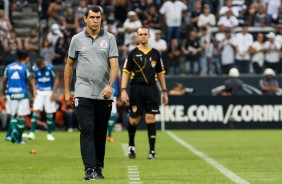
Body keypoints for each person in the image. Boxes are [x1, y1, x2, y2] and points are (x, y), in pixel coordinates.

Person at [64, 5, 119, 180]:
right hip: (82, 91)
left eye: (98, 17)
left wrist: (110, 85)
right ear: (85, 19)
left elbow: (115, 64)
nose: (95, 20)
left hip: (104, 93)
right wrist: (67, 91)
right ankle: (89, 169)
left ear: (101, 19)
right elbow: (69, 65)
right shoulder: (76, 39)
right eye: (92, 17)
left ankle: (98, 167)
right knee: (87, 129)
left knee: (100, 132)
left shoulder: (110, 38)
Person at [120, 26, 169, 160]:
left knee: (150, 118)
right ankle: (131, 145)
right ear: (137, 36)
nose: (143, 36)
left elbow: (160, 73)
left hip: (151, 89)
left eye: (145, 34)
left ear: (149, 36)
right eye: (140, 34)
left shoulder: (156, 53)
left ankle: (152, 151)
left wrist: (164, 91)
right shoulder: (132, 53)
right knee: (134, 120)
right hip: (136, 88)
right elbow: (125, 72)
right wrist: (123, 90)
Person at [1, 50, 36, 144]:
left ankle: (14, 131)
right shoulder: (25, 68)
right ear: (24, 58)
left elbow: (4, 81)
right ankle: (19, 139)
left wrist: (3, 94)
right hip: (23, 94)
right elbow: (29, 82)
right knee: (21, 116)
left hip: (11, 94)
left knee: (13, 115)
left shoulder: (9, 67)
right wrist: (32, 95)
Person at [27, 56, 59, 141]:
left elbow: (56, 79)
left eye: (40, 66)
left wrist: (53, 93)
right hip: (39, 91)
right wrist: (34, 90)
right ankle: (32, 133)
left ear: (43, 64)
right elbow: (32, 79)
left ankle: (49, 134)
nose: (39, 68)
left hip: (49, 91)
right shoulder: (34, 68)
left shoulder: (51, 67)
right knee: (36, 110)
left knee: (49, 112)